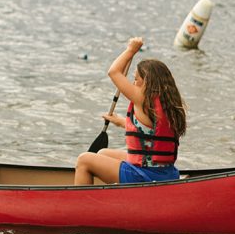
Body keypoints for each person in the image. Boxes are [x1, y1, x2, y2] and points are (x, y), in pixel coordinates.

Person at [74, 37, 187, 186]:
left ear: (147, 82)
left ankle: (82, 205)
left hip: (145, 175)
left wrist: (131, 49)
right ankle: (122, 198)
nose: (133, 83)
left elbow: (114, 72)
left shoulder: (144, 99)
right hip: (166, 172)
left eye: (136, 79)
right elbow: (150, 132)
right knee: (103, 153)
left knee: (84, 160)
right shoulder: (169, 103)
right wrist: (121, 121)